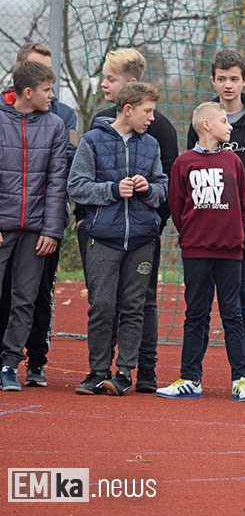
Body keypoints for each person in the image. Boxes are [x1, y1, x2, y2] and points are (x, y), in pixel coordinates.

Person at [80, 48, 179, 393]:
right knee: (103, 304)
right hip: (104, 237)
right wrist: (111, 189)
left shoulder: (152, 143)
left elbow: (164, 186)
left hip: (140, 237)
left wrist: (147, 190)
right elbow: (77, 185)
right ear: (128, 109)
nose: (152, 117)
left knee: (135, 306)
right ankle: (97, 371)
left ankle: (126, 373)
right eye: (147, 111)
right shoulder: (92, 140)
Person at [186, 49, 245, 398]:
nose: (227, 84)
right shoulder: (203, 120)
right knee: (200, 302)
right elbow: (190, 174)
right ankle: (192, 373)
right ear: (213, 81)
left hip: (244, 231)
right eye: (221, 78)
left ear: (244, 80)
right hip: (206, 231)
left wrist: (244, 220)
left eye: (234, 78)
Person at [156, 102, 245, 402]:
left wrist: (232, 233)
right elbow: (177, 205)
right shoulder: (183, 163)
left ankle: (241, 378)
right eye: (224, 121)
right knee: (195, 314)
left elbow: (243, 204)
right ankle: (190, 378)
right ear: (207, 126)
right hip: (196, 250)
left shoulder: (234, 161)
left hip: (230, 251)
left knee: (233, 314)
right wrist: (192, 234)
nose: (230, 126)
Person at [0, 42, 78, 388]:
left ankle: (10, 363)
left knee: (26, 298)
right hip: (3, 225)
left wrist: (52, 229)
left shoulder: (56, 125)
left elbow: (57, 180)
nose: (53, 96)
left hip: (36, 230)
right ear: (27, 92)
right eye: (47, 90)